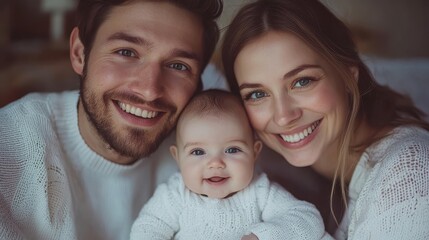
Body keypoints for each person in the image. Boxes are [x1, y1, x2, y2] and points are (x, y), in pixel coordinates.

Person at [0, 0, 222, 239]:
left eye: (178, 66)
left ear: (198, 85)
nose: (149, 90)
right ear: (79, 53)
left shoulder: (209, 154)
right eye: (126, 52)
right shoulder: (10, 147)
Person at [221, 0, 429, 239]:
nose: (284, 115)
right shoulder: (268, 173)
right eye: (257, 94)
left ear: (348, 75)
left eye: (302, 81)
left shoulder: (410, 176)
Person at [129, 89, 329, 240]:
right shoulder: (175, 195)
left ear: (254, 152)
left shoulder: (260, 191)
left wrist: (260, 237)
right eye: (198, 152)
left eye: (232, 150)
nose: (215, 163)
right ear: (178, 157)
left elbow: (308, 220)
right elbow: (147, 229)